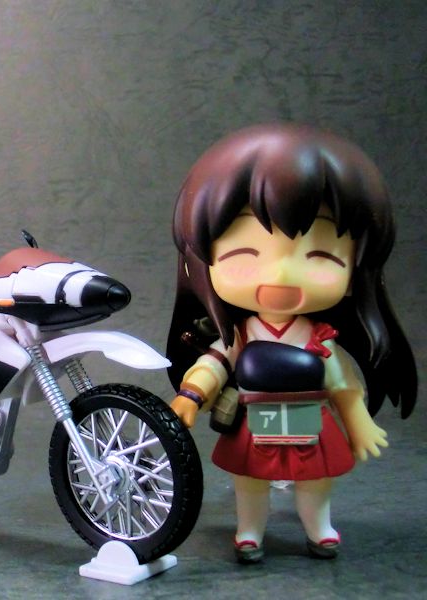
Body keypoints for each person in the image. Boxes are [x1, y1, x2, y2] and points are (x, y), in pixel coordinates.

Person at [166, 123, 417, 563]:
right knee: (250, 483)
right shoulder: (242, 335)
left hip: (309, 422)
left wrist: (358, 422)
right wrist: (190, 395)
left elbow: (341, 384)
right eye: (244, 254)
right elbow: (215, 363)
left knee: (316, 483)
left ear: (356, 267)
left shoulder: (319, 338)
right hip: (254, 422)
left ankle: (319, 527)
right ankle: (250, 530)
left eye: (319, 255)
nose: (280, 275)